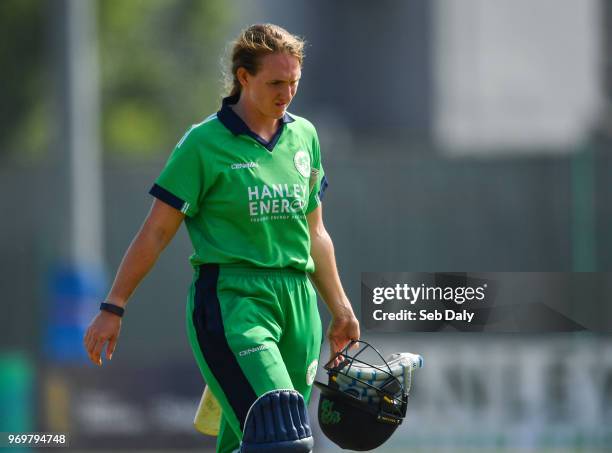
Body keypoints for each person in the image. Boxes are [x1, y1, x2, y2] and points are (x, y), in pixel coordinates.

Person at [83, 23, 359, 453]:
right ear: (243, 77)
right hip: (234, 303)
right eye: (275, 83)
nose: (285, 94)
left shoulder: (304, 136)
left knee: (245, 442)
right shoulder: (203, 143)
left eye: (293, 82)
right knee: (282, 440)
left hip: (299, 306)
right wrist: (113, 305)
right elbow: (155, 232)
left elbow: (315, 232)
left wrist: (340, 309)